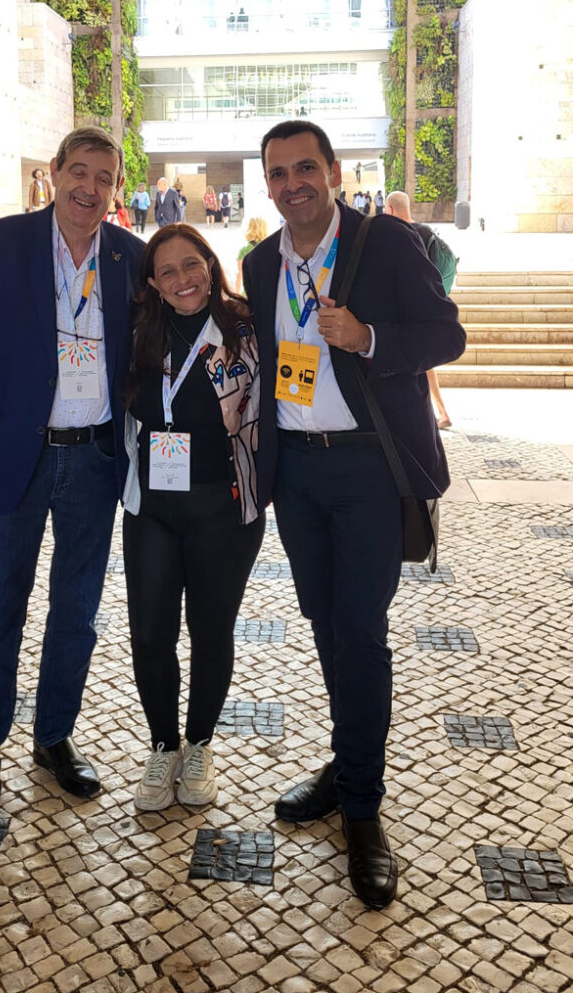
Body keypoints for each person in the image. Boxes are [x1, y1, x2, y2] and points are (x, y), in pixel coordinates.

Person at [242, 120, 465, 909]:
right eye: (278, 172)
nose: (293, 182)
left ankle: (363, 809)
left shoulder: (384, 243)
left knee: (360, 630)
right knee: (325, 624)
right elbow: (266, 366)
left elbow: (448, 335)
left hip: (369, 468)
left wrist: (367, 336)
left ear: (332, 172)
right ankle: (345, 765)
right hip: (298, 475)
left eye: (306, 167)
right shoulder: (260, 262)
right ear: (265, 184)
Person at [0, 126, 144, 844]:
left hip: (93, 461)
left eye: (103, 177)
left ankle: (53, 738)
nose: (89, 188)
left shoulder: (129, 258)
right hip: (12, 461)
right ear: (53, 175)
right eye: (77, 172)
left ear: (116, 188)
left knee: (77, 615)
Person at [122, 224, 264, 810]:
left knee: (210, 632)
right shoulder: (136, 333)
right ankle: (163, 745)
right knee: (151, 632)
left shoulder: (245, 327)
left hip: (223, 506)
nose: (182, 279)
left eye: (191, 264)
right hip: (151, 506)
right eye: (167, 271)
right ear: (152, 284)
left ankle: (199, 744)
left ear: (209, 263)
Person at [385, 190, 455, 428]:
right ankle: (441, 412)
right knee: (425, 365)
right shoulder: (425, 231)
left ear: (390, 209)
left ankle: (438, 413)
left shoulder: (403, 235)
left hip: (413, 314)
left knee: (422, 364)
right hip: (430, 307)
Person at [235, 216, 268, 292]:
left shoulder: (244, 251)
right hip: (265, 292)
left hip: (248, 293)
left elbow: (240, 275)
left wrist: (236, 293)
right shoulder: (270, 248)